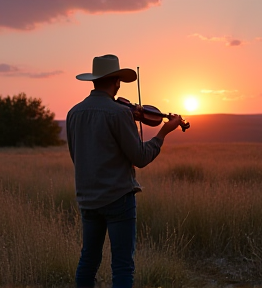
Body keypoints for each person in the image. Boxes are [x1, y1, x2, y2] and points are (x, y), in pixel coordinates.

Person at [66, 54, 182, 288]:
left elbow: (76, 156)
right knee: (122, 266)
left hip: (87, 199)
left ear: (94, 80)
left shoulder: (73, 113)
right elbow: (140, 158)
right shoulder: (119, 113)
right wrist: (162, 133)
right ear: (116, 80)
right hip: (118, 197)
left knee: (88, 260)